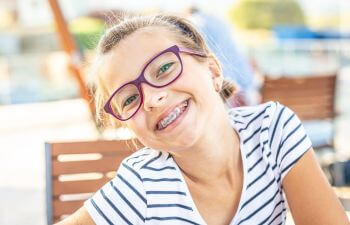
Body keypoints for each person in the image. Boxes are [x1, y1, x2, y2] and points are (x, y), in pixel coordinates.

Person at [57, 14, 348, 225]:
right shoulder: (142, 185)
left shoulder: (272, 130)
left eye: (164, 68)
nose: (151, 98)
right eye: (130, 99)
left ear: (213, 70)